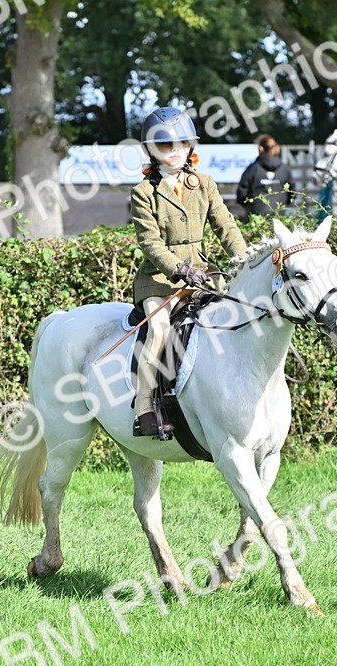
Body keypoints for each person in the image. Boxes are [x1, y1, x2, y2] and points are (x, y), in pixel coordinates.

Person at [130, 106, 247, 438]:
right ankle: (145, 408)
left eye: (181, 144)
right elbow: (150, 242)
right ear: (151, 150)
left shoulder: (205, 184)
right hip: (160, 279)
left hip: (206, 274)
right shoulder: (143, 193)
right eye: (166, 146)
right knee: (159, 330)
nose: (175, 152)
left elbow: (226, 226)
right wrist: (178, 268)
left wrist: (243, 258)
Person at [236, 134, 294, 218]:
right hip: (279, 215)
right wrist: (283, 204)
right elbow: (292, 192)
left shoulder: (252, 169)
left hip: (255, 218)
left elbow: (242, 193)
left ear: (260, 148)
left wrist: (249, 206)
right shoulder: (285, 169)